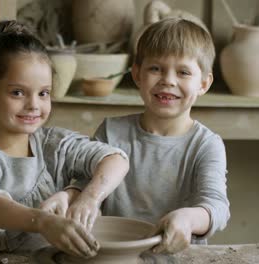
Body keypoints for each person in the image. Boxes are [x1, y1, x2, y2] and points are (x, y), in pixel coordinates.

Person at [0, 20, 129, 258]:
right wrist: (43, 222)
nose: (34, 105)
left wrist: (87, 198)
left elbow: (116, 159)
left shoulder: (53, 143)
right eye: (17, 92)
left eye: (43, 93)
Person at [93, 18, 230, 253]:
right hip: (116, 254)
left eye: (183, 72)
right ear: (137, 74)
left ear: (204, 84)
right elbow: (86, 189)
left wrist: (187, 219)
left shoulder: (206, 145)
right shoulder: (110, 132)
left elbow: (217, 207)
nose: (168, 80)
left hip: (179, 256)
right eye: (155, 68)